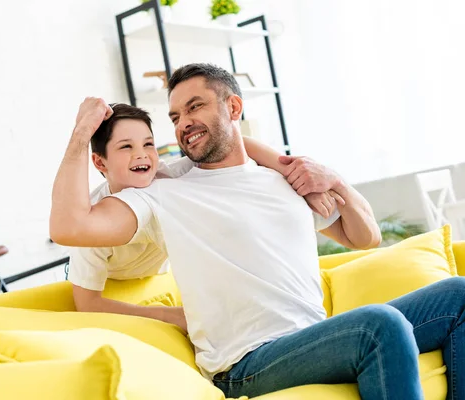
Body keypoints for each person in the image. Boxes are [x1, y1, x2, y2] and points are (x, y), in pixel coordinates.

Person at [50, 63, 465, 399]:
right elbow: (70, 226)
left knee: (459, 295)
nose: (184, 123)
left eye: (195, 107)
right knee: (378, 325)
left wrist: (333, 179)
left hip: (315, 338)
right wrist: (80, 134)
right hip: (246, 364)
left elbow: (364, 236)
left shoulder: (282, 178)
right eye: (176, 116)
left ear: (233, 107)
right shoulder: (164, 190)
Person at [68, 103, 340, 332]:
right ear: (100, 163)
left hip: (157, 271)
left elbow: (238, 143)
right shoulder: (95, 220)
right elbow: (88, 304)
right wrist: (172, 316)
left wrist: (300, 178)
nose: (141, 154)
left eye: (148, 144)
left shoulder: (166, 179)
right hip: (115, 278)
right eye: (126, 146)